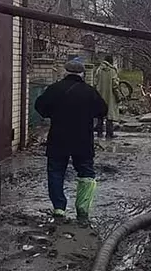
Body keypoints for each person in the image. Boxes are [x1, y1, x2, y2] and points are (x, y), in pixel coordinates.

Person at [35, 59, 107, 224]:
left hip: (58, 138)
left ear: (65, 72)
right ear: (82, 74)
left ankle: (59, 208)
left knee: (55, 171)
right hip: (83, 139)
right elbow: (103, 110)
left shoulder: (54, 89)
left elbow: (39, 106)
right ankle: (82, 208)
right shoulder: (90, 91)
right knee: (86, 172)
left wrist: (52, 114)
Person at [95, 55, 121, 139]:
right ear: (111, 61)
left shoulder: (99, 70)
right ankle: (109, 134)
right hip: (110, 96)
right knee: (110, 115)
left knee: (100, 115)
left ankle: (99, 133)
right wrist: (118, 96)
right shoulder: (112, 71)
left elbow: (95, 82)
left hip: (100, 95)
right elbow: (115, 85)